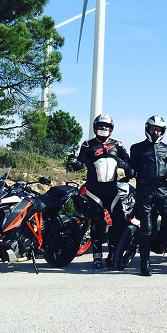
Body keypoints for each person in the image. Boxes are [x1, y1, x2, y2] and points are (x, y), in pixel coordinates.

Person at [69, 114, 134, 269]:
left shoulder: (117, 144)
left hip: (112, 189)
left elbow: (130, 166)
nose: (104, 129)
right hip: (94, 190)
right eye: (101, 126)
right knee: (97, 222)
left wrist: (123, 165)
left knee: (118, 221)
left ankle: (113, 253)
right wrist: (72, 161)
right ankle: (97, 256)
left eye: (107, 126)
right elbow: (79, 164)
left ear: (111, 129)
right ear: (95, 127)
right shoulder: (87, 145)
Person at [129, 115, 167, 277]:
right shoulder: (137, 148)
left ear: (163, 131)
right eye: (153, 129)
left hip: (163, 190)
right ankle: (144, 264)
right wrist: (127, 168)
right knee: (147, 227)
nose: (155, 132)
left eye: (158, 130)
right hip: (144, 191)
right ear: (147, 129)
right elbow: (131, 168)